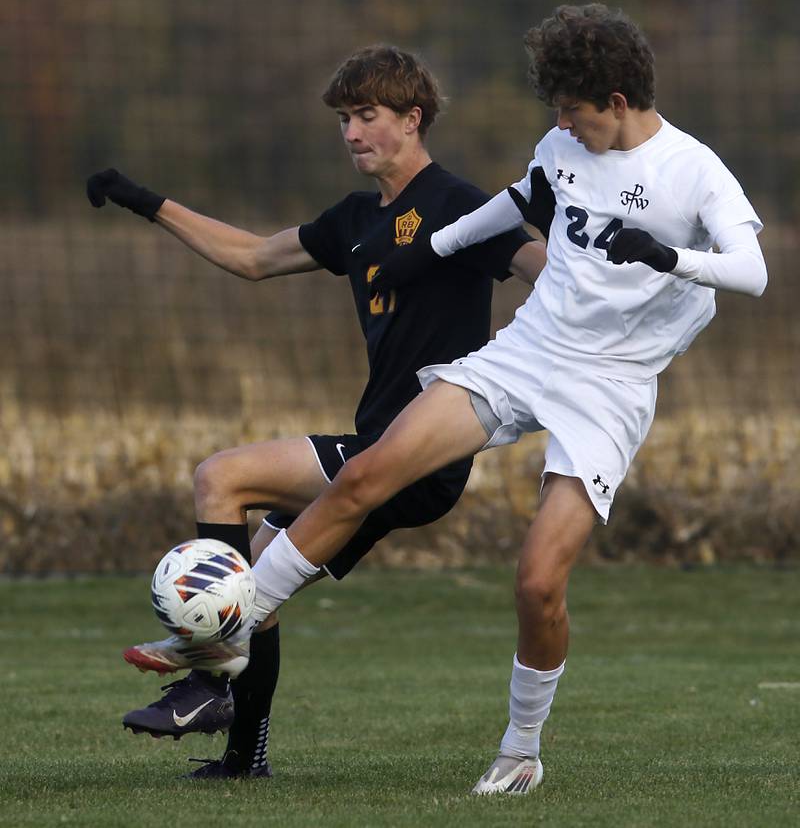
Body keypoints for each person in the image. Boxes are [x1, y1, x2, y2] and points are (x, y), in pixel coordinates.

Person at [87, 45, 552, 779]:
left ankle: (210, 683)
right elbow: (251, 258)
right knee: (258, 582)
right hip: (374, 448)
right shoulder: (355, 219)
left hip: (418, 457)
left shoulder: (461, 205)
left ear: (412, 118)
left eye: (367, 116)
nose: (352, 133)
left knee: (221, 479)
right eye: (343, 119)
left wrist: (576, 256)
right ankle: (244, 759)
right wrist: (148, 201)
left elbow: (545, 271)